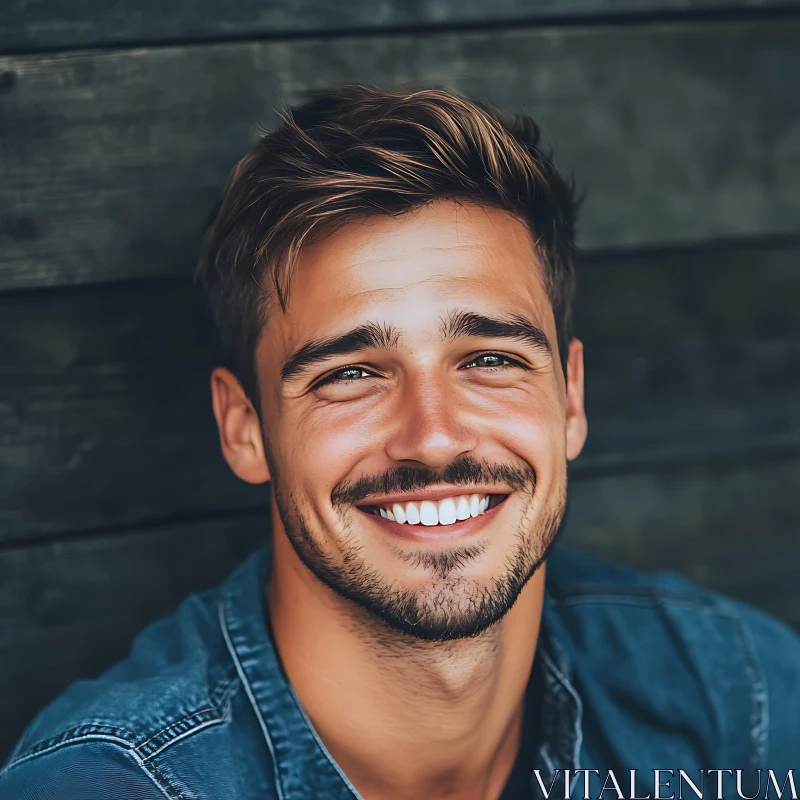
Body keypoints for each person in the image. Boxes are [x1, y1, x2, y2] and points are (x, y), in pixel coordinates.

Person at [1, 84, 798, 800]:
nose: (434, 435)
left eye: (489, 360)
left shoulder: (736, 695)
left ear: (571, 400)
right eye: (350, 373)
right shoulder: (111, 785)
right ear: (243, 429)